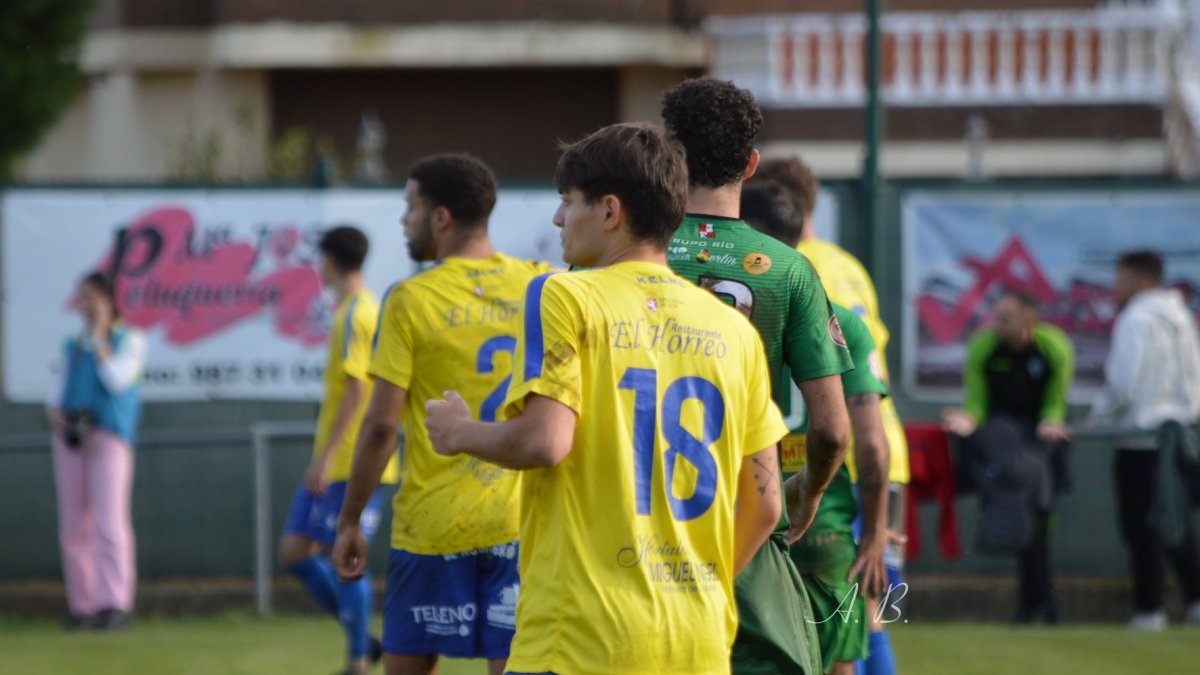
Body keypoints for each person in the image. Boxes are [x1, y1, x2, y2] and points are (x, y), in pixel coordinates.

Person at [423, 121, 786, 675]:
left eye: (568, 202)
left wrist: (459, 433)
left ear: (611, 211)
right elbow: (765, 505)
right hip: (698, 642)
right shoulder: (733, 329)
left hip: (582, 641)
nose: (558, 218)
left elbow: (546, 441)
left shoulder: (564, 293)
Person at [332, 154, 552, 675]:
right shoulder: (540, 284)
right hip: (520, 525)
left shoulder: (410, 299)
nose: (403, 220)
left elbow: (382, 425)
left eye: (410, 206)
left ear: (441, 217)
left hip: (432, 526)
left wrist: (349, 520)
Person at [662, 77, 852, 675]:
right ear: (750, 164)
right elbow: (832, 429)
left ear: (670, 156)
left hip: (636, 523)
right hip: (744, 521)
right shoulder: (793, 272)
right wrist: (809, 492)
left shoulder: (629, 253)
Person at [751, 157, 908, 674]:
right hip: (845, 496)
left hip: (759, 497)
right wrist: (876, 523)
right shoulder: (844, 274)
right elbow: (861, 427)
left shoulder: (731, 305)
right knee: (872, 613)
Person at [279, 226, 398, 674]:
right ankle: (363, 641)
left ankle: (357, 659)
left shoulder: (357, 314)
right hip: (343, 459)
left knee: (345, 558)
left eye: (320, 259)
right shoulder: (357, 309)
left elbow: (356, 389)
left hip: (352, 461)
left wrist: (327, 457)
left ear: (330, 260)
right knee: (295, 550)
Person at [942, 290, 1075, 624]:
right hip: (1002, 448)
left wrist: (1050, 422)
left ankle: (1039, 604)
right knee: (1017, 520)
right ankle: (1037, 607)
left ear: (1027, 320)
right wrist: (967, 420)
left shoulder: (1053, 347)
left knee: (1042, 523)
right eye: (995, 316)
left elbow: (1055, 402)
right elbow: (976, 403)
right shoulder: (984, 347)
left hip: (1041, 445)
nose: (996, 324)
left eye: (1005, 318)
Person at [1091, 250, 1200, 630]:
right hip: (1179, 438)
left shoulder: (1135, 319)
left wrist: (1098, 416)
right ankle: (1194, 601)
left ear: (1142, 282)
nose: (1114, 289)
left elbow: (1124, 385)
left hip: (1141, 442)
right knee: (1176, 522)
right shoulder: (1181, 316)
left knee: (1143, 529)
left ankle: (1149, 610)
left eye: (1120, 280)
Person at [47, 271, 146, 631]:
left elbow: (116, 380)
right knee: (74, 526)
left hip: (110, 438)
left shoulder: (129, 340)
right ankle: (83, 606)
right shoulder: (71, 346)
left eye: (91, 297)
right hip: (72, 441)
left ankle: (114, 603)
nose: (85, 305)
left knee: (109, 522)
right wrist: (58, 416)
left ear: (108, 300)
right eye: (82, 297)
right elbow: (56, 394)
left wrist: (102, 338)